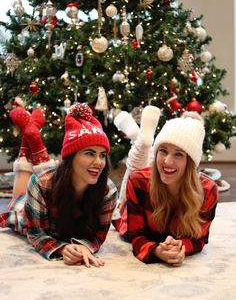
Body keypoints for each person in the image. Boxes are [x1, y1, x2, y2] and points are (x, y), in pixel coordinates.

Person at [0, 101, 118, 267]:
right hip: (24, 211)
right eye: (90, 153)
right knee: (18, 198)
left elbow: (97, 237)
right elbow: (36, 234)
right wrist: (62, 249)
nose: (98, 162)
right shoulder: (41, 183)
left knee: (44, 177)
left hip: (52, 187)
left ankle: (31, 138)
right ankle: (27, 143)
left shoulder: (108, 191)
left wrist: (82, 247)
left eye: (102, 155)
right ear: (71, 157)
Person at [113, 107, 219, 266]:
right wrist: (156, 251)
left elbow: (200, 239)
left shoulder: (208, 190)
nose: (168, 161)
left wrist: (181, 246)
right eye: (163, 151)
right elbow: (136, 236)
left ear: (190, 163)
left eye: (178, 154)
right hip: (129, 217)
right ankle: (139, 139)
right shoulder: (138, 181)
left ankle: (140, 138)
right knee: (134, 170)